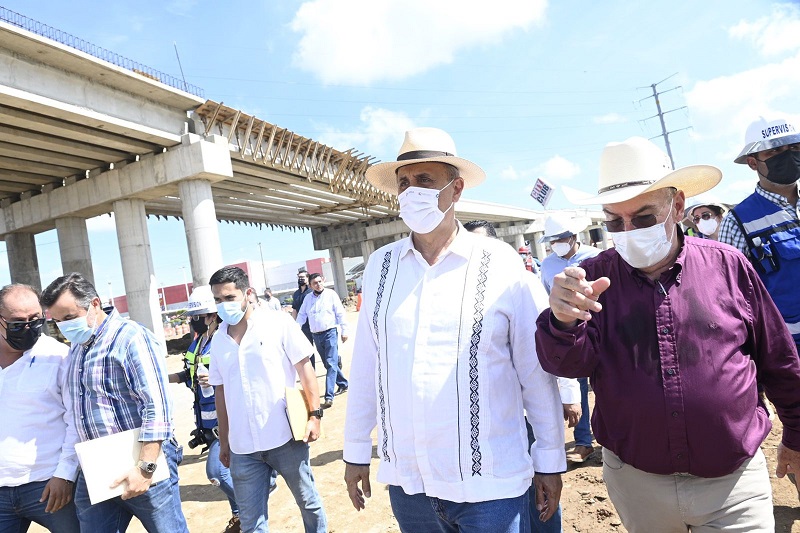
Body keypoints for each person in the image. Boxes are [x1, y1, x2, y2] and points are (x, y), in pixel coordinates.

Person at [537, 136, 800, 532]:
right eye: (613, 222)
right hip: (637, 482)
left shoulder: (729, 268)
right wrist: (562, 322)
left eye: (642, 218)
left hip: (733, 483)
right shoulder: (589, 280)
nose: (627, 231)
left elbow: (778, 359)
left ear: (676, 206)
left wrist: (796, 432)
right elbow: (568, 363)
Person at [344, 127, 566, 532]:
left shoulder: (500, 263)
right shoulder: (381, 267)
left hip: (491, 487)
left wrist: (549, 459)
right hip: (411, 487)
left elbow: (534, 371)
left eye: (425, 180)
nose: (412, 192)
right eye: (405, 183)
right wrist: (356, 449)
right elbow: (366, 366)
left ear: (456, 188)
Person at [41, 273, 189, 533]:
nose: (64, 326)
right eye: (57, 322)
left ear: (95, 304)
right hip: (97, 466)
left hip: (140, 461)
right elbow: (79, 413)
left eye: (69, 317)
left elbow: (156, 406)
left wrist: (145, 468)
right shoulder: (78, 349)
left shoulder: (130, 338)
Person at [466, 220, 571, 533]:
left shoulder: (520, 283)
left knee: (542, 489)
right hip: (494, 420)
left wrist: (567, 394)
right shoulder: (458, 296)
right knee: (513, 496)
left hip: (528, 416)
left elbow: (544, 350)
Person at [207, 266, 327, 533]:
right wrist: (224, 441)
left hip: (284, 437)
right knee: (251, 522)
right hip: (243, 448)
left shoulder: (278, 323)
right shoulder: (218, 341)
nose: (223, 305)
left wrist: (314, 416)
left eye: (229, 298)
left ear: (247, 293)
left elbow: (305, 369)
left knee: (308, 502)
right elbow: (221, 393)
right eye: (217, 300)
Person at [0, 284, 80, 533]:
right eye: (17, 322)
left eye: (35, 319)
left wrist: (65, 475)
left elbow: (76, 421)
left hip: (50, 487)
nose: (27, 327)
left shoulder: (59, 357)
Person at [719, 116, 800, 350]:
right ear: (753, 163)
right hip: (788, 353)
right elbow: (730, 296)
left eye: (794, 147)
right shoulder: (737, 222)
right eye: (775, 151)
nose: (788, 155)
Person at [168, 286, 242, 533]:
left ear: (212, 316)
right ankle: (239, 516)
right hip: (206, 423)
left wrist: (216, 379)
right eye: (191, 318)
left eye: (197, 318)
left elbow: (241, 376)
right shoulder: (198, 343)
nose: (193, 322)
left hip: (226, 421)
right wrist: (166, 377)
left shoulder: (225, 339)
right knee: (229, 469)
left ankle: (250, 505)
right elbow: (189, 375)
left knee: (216, 472)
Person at [539, 213, 602, 465]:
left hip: (600, 325)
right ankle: (584, 442)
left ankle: (611, 437)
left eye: (561, 239)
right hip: (571, 330)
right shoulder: (547, 265)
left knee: (606, 383)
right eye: (553, 240)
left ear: (573, 237)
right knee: (575, 383)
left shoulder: (594, 257)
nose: (557, 244)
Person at [296, 273, 349, 409]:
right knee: (328, 363)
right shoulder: (308, 298)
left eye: (320, 282)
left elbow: (340, 313)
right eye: (315, 283)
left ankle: (328, 397)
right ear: (311, 285)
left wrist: (344, 330)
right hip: (316, 335)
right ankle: (343, 383)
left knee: (331, 363)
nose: (318, 285)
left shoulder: (331, 294)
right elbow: (302, 315)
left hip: (330, 332)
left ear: (323, 281)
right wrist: (295, 331)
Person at [292, 269, 315, 367]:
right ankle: (312, 369)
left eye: (303, 277)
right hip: (303, 326)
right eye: (299, 277)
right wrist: (294, 325)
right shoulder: (296, 294)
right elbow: (294, 310)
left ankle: (336, 359)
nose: (301, 279)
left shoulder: (311, 292)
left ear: (307, 278)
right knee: (307, 348)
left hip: (314, 324)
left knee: (322, 348)